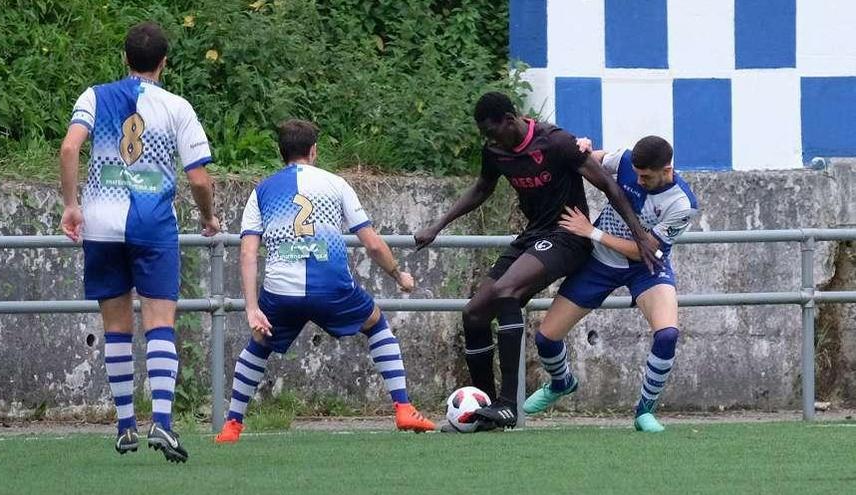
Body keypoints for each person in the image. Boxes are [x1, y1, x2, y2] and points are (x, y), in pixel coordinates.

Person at [414, 92, 660, 430]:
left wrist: (639, 235)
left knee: (507, 292)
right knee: (473, 313)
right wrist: (438, 225)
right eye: (486, 134)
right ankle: (484, 408)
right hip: (533, 236)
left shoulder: (556, 142)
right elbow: (482, 188)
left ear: (512, 118)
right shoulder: (495, 151)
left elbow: (607, 186)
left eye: (495, 130)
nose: (492, 139)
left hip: (567, 235)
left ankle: (508, 404)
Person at [214, 119, 435, 443]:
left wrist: (251, 308)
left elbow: (248, 253)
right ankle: (402, 407)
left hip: (281, 291)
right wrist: (398, 274)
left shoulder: (261, 191)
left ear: (281, 153)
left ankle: (232, 425)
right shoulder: (336, 184)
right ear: (314, 151)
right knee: (375, 324)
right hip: (332, 287)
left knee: (259, 344)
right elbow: (372, 243)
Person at [59, 21, 219, 463]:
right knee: (159, 320)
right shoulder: (177, 106)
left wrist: (72, 205)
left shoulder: (94, 96)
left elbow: (70, 149)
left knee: (115, 326)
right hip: (152, 224)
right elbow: (199, 178)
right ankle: (163, 423)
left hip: (101, 223)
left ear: (124, 59)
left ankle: (125, 424)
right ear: (164, 63)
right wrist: (207, 217)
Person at [523, 136, 698, 432]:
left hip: (646, 267)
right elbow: (596, 159)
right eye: (637, 174)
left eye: (646, 176)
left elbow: (643, 249)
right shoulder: (628, 160)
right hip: (599, 265)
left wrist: (592, 233)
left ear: (667, 170)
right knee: (546, 338)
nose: (639, 181)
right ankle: (561, 383)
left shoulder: (682, 203)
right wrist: (582, 147)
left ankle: (644, 411)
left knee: (667, 334)